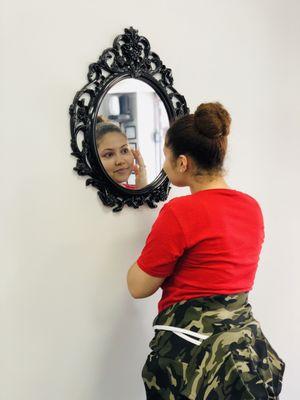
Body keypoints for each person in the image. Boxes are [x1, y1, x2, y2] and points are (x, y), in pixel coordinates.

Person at [127, 103, 285, 399]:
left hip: (195, 361)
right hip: (245, 354)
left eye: (166, 155)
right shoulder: (251, 208)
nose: (164, 164)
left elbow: (137, 286)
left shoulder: (179, 213)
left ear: (183, 163)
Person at [95, 116, 147, 189]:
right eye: (109, 155)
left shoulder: (136, 189)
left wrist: (142, 188)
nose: (120, 161)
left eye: (124, 151)